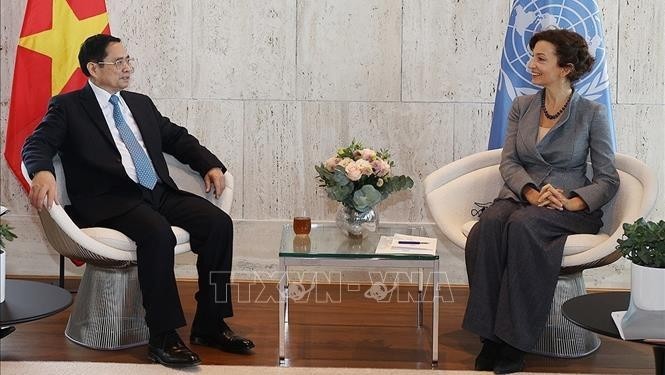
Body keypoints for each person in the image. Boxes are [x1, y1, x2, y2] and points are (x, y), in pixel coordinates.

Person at [22, 34, 254, 368]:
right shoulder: (68, 107)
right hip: (108, 200)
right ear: (93, 68)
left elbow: (176, 138)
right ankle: (163, 335)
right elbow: (36, 144)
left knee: (218, 224)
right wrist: (42, 171)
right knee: (157, 233)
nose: (128, 67)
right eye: (119, 62)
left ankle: (211, 323)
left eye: (129, 60)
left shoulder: (140, 103)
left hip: (156, 191)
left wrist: (210, 164)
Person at [463, 29, 619, 374]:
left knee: (523, 225)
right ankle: (490, 337)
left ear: (565, 68)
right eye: (533, 56)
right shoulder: (522, 106)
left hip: (568, 208)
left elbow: (608, 178)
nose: (531, 64)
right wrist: (531, 192)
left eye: (540, 58)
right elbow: (509, 162)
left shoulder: (591, 113)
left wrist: (571, 202)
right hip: (524, 196)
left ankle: (516, 341)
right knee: (487, 225)